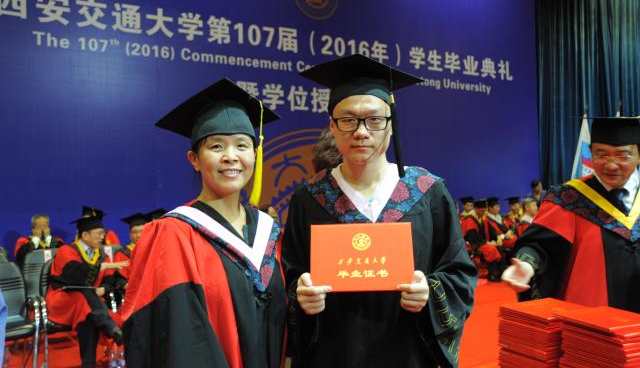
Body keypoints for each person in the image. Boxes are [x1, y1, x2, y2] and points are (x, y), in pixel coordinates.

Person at [283, 54, 477, 368]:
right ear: (332, 126)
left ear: (391, 126)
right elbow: (289, 277)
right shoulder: (309, 199)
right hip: (334, 356)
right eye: (348, 120)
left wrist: (429, 292)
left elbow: (460, 273)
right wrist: (300, 296)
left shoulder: (427, 193)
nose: (361, 132)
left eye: (374, 120)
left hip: (409, 354)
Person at [120, 78, 286, 367]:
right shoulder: (173, 234)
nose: (231, 157)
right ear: (194, 159)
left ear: (255, 154)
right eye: (217, 146)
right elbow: (177, 335)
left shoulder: (268, 231)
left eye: (242, 145)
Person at [502, 117, 640, 312]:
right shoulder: (568, 198)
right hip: (593, 315)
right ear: (590, 153)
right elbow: (539, 245)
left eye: (623, 156)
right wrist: (527, 264)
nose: (611, 165)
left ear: (638, 155)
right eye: (601, 154)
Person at [45, 214, 129, 368]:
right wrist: (102, 267)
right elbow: (75, 275)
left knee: (88, 313)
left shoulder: (99, 254)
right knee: (84, 297)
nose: (102, 237)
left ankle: (89, 363)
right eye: (99, 234)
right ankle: (111, 328)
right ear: (85, 235)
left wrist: (105, 288)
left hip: (88, 305)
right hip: (62, 300)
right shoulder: (66, 251)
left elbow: (110, 278)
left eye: (103, 233)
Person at [460, 199, 503, 282]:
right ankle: (491, 274)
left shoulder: (481, 218)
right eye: (482, 211)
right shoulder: (469, 220)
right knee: (491, 249)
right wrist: (487, 243)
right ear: (476, 209)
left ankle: (500, 271)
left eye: (485, 210)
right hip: (472, 244)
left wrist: (497, 237)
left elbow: (491, 230)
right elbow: (473, 238)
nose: (484, 213)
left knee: (499, 246)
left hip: (480, 242)